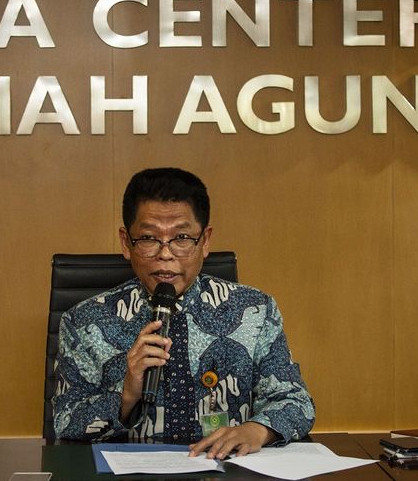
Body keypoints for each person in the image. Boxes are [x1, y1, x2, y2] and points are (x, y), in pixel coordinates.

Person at [52, 167, 314, 459]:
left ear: (205, 241)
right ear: (127, 243)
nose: (166, 254)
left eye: (182, 238)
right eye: (149, 238)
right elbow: (65, 423)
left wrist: (255, 430)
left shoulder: (255, 310)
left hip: (227, 470)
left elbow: (296, 402)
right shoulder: (84, 320)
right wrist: (127, 394)